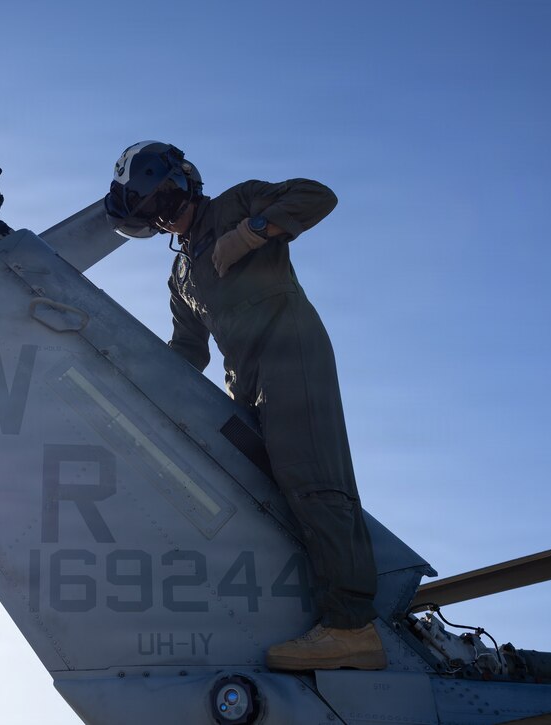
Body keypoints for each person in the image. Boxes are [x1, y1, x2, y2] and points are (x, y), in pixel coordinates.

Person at [103, 141, 386, 671]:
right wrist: (136, 387)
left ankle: (351, 628)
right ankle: (323, 617)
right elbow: (188, 351)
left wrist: (250, 232)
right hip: (246, 383)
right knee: (265, 492)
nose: (166, 216)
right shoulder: (181, 276)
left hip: (291, 354)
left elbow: (317, 197)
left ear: (181, 182)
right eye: (153, 213)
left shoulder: (236, 204)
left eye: (165, 199)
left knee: (314, 481)